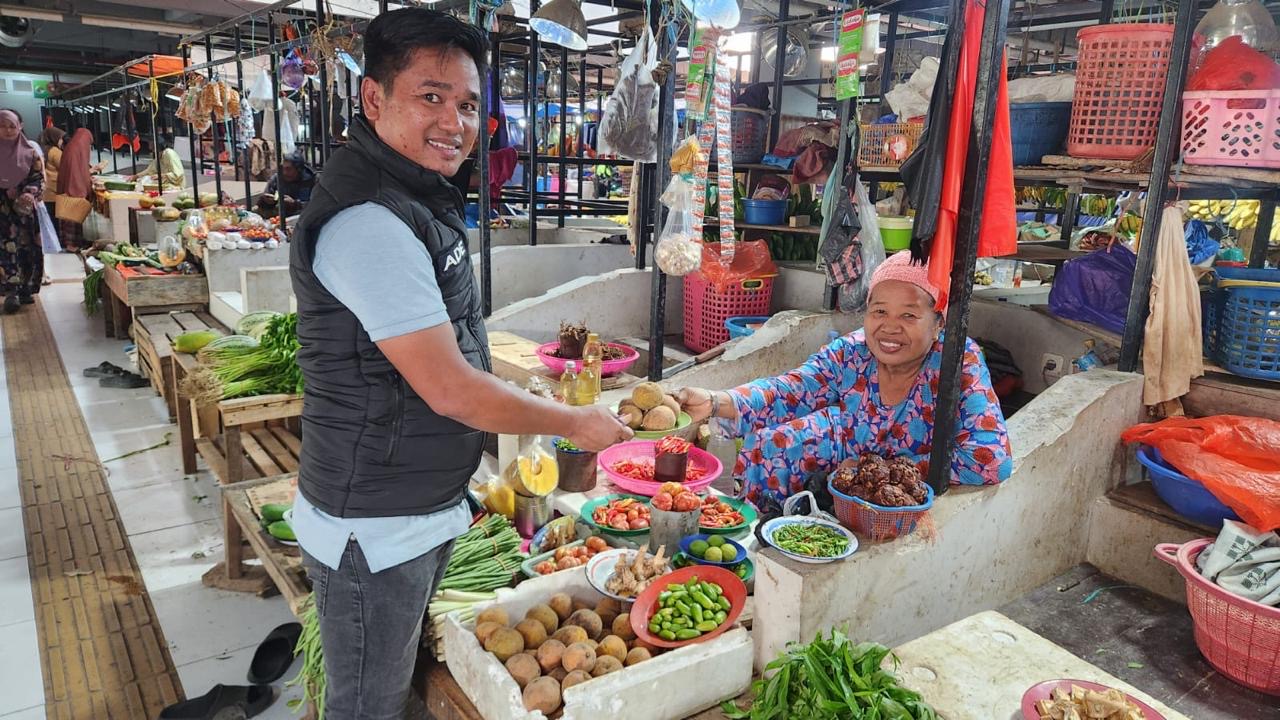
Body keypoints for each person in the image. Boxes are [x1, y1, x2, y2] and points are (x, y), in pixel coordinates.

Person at [287, 9, 633, 717]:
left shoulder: (413, 195)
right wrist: (575, 421)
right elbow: (449, 389)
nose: (454, 122)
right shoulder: (369, 221)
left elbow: (445, 344)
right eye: (432, 96)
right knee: (365, 707)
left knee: (395, 688)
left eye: (469, 104)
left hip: (411, 506)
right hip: (376, 524)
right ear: (374, 98)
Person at [678, 251, 1013, 510]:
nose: (890, 327)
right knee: (770, 443)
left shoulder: (957, 361)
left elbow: (990, 458)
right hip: (846, 448)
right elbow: (791, 390)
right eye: (879, 311)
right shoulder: (854, 352)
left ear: (938, 323)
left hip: (905, 487)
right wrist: (715, 402)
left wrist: (881, 470)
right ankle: (762, 530)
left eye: (909, 315)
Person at [0, 109, 45, 312]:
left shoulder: (31, 153)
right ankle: (10, 292)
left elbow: (38, 177)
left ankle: (26, 289)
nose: (8, 131)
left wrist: (30, 192)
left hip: (24, 211)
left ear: (20, 126)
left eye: (12, 126)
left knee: (27, 250)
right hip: (2, 213)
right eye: (3, 126)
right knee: (5, 251)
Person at [55, 128, 98, 252]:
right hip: (74, 189)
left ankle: (71, 244)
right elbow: (77, 172)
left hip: (67, 187)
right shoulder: (77, 148)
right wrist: (85, 185)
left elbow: (80, 169)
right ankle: (72, 246)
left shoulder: (72, 147)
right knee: (73, 217)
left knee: (70, 218)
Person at [256, 152, 316, 217]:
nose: (285, 172)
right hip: (281, 217)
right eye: (283, 168)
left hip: (304, 216)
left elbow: (317, 206)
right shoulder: (277, 178)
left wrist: (295, 204)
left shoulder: (312, 179)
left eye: (289, 169)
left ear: (299, 169)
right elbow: (264, 200)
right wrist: (266, 201)